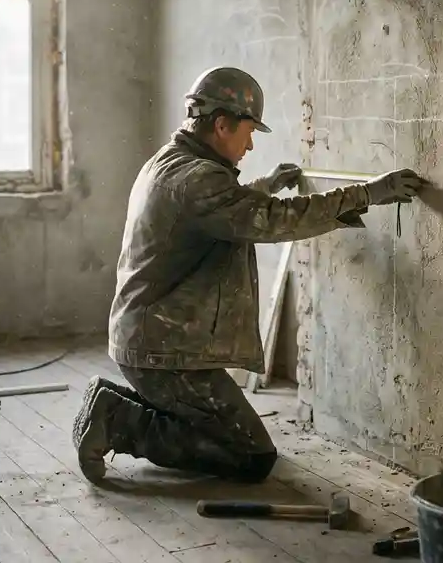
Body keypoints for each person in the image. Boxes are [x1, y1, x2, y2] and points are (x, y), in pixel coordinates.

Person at [72, 66, 423, 483]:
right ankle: (118, 421)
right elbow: (271, 220)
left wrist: (265, 184)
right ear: (222, 124)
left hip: (151, 341)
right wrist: (367, 193)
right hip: (164, 353)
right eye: (248, 130)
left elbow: (221, 208)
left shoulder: (171, 163)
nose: (251, 143)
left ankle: (112, 405)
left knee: (220, 430)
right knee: (250, 455)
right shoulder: (198, 179)